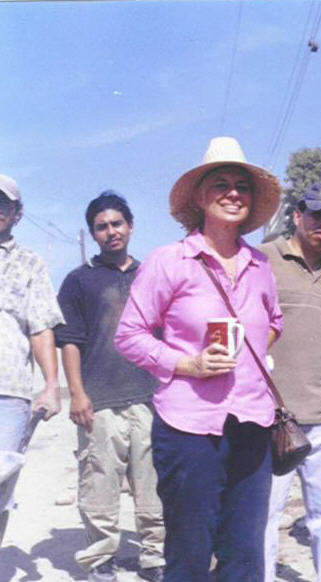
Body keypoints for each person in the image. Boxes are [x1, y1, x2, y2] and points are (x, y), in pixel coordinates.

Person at [115, 137, 284, 582]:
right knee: (189, 553)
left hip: (251, 422)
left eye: (242, 186)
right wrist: (187, 364)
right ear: (200, 197)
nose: (233, 193)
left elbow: (275, 322)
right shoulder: (169, 261)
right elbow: (128, 335)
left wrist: (250, 357)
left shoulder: (260, 264)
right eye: (221, 184)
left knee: (245, 555)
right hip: (188, 427)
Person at [56, 192, 164, 582]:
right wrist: (78, 393)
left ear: (131, 226)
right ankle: (101, 560)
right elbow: (70, 341)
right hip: (99, 400)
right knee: (99, 484)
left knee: (153, 485)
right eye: (102, 226)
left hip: (151, 397)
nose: (111, 231)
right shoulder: (78, 281)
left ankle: (155, 557)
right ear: (93, 233)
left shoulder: (152, 272)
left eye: (117, 223)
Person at [259, 184, 321, 582]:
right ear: (298, 215)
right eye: (318, 215)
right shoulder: (264, 259)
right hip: (270, 416)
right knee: (262, 518)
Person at [0, 174, 64, 546]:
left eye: (2, 203)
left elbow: (41, 329)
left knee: (1, 493)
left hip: (9, 395)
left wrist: (52, 387)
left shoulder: (30, 263)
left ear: (17, 213)